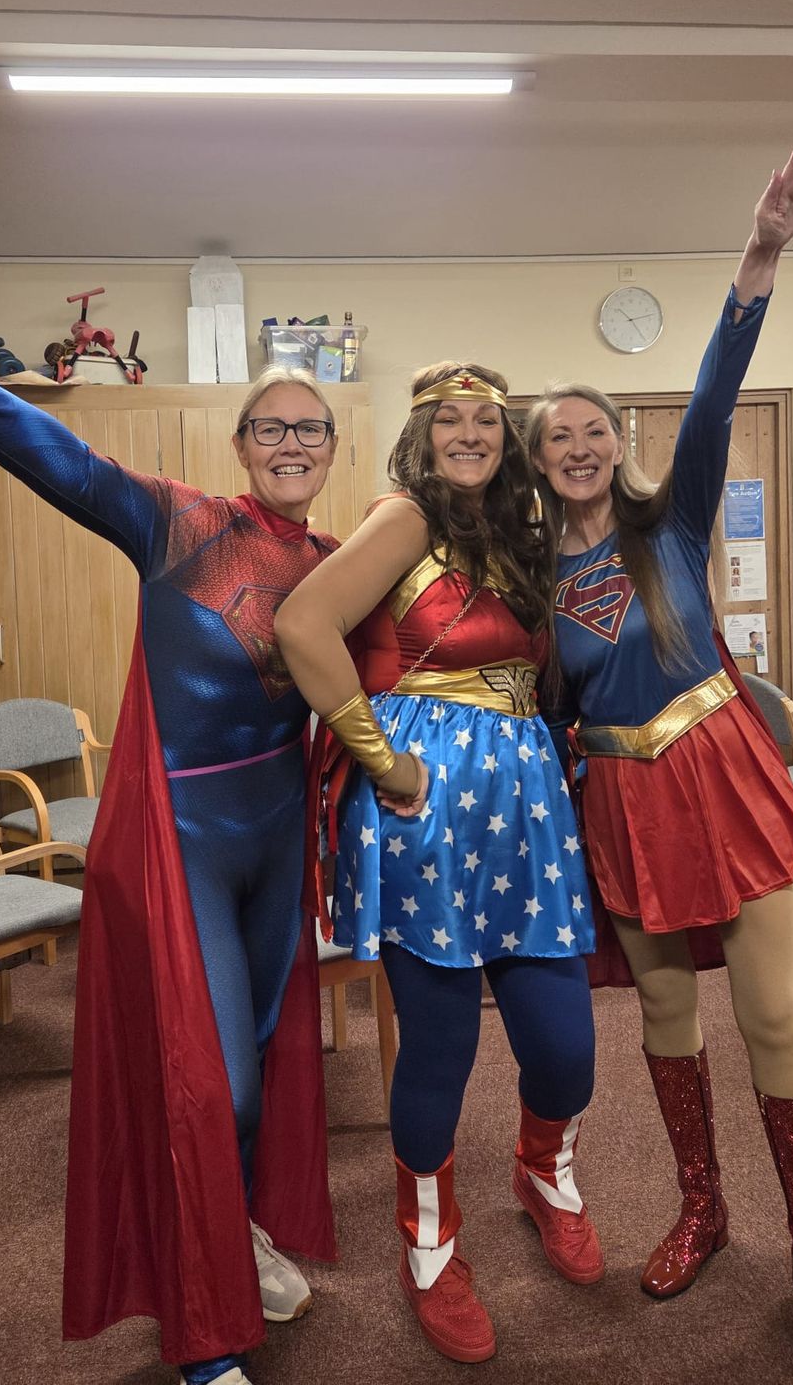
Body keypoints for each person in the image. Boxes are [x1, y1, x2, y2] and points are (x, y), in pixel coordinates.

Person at [0, 290, 340, 1385]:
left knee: (266, 1061)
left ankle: (233, 1234)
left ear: (331, 448)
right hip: (183, 840)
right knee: (211, 1085)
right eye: (271, 426)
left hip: (278, 838)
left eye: (310, 428)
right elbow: (60, 460)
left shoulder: (333, 558)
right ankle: (204, 1337)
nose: (292, 442)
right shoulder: (179, 523)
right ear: (240, 445)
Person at [527, 118, 793, 1385]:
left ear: (618, 442)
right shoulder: (531, 580)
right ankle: (704, 1208)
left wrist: (760, 253)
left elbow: (722, 386)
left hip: (723, 774)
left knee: (772, 1013)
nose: (579, 446)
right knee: (667, 1014)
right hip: (623, 799)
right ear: (538, 463)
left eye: (593, 429)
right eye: (556, 437)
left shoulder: (671, 521)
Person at [276, 361, 599, 1366]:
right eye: (449, 419)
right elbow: (302, 625)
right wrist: (381, 761)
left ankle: (543, 1173)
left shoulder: (518, 531)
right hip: (425, 811)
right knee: (441, 1047)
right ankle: (429, 1246)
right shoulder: (404, 518)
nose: (470, 434)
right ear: (422, 435)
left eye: (486, 420)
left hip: (524, 806)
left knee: (566, 1047)